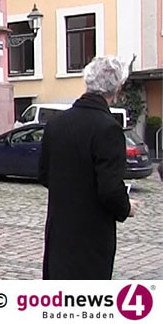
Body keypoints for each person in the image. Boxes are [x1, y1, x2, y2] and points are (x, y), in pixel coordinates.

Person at [38, 56, 137, 279]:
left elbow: (44, 174)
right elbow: (110, 189)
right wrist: (126, 206)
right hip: (91, 239)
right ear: (117, 88)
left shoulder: (56, 123)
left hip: (59, 233)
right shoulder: (108, 129)